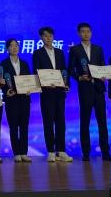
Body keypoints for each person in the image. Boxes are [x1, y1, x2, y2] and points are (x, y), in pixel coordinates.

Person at [68, 23, 111, 162]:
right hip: (85, 89)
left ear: (91, 33)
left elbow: (102, 66)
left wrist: (104, 75)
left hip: (99, 89)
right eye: (83, 31)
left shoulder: (98, 49)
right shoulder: (75, 50)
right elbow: (70, 69)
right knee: (85, 122)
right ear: (79, 33)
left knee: (102, 122)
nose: (86, 34)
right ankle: (86, 153)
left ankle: (105, 152)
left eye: (88, 31)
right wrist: (79, 77)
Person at [32, 26, 72, 163]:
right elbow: (36, 72)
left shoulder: (60, 52)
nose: (48, 38)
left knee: (61, 121)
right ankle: (50, 151)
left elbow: (64, 71)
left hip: (59, 92)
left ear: (53, 37)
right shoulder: (37, 53)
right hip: (47, 92)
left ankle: (61, 151)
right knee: (48, 121)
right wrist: (45, 83)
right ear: (41, 38)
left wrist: (66, 84)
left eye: (50, 35)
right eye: (45, 36)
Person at [0, 38, 32, 162]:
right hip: (11, 99)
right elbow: (0, 81)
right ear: (7, 48)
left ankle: (24, 152)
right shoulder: (3, 64)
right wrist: (6, 91)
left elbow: (29, 79)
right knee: (13, 126)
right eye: (11, 46)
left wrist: (30, 88)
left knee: (24, 126)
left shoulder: (24, 63)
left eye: (16, 45)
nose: (14, 48)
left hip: (24, 99)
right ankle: (16, 153)